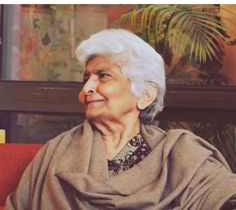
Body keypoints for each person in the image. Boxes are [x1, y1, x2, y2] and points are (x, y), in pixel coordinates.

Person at [5, 29, 236, 210]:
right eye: (86, 78)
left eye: (103, 76)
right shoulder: (55, 153)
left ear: (145, 95)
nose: (87, 88)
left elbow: (225, 194)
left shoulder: (178, 153)